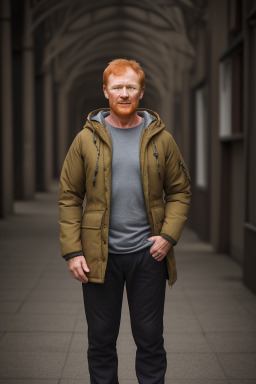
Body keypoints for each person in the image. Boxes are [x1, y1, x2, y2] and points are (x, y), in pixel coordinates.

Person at [58, 58, 191, 384]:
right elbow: (69, 197)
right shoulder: (85, 140)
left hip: (149, 255)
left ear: (141, 91)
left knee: (150, 339)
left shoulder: (162, 139)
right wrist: (73, 251)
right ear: (106, 91)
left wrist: (167, 237)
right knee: (101, 341)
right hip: (98, 257)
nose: (124, 93)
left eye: (131, 86)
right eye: (117, 87)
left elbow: (180, 191)